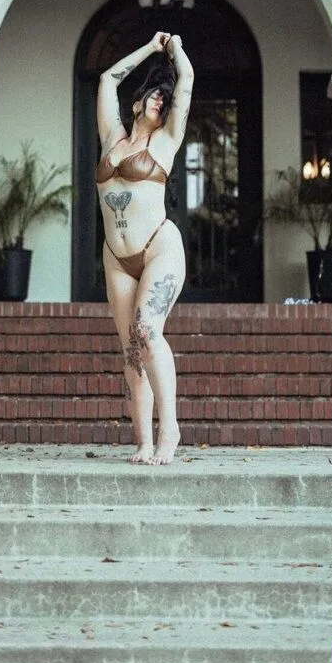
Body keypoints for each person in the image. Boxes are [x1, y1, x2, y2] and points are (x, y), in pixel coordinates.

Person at [96, 31, 194, 465]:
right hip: (117, 257)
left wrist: (175, 50)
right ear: (137, 103)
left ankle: (170, 429)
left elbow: (186, 79)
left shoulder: (167, 140)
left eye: (164, 99)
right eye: (154, 94)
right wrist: (151, 49)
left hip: (159, 248)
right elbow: (107, 79)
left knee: (147, 330)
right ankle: (143, 440)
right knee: (131, 351)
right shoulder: (112, 138)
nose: (160, 101)